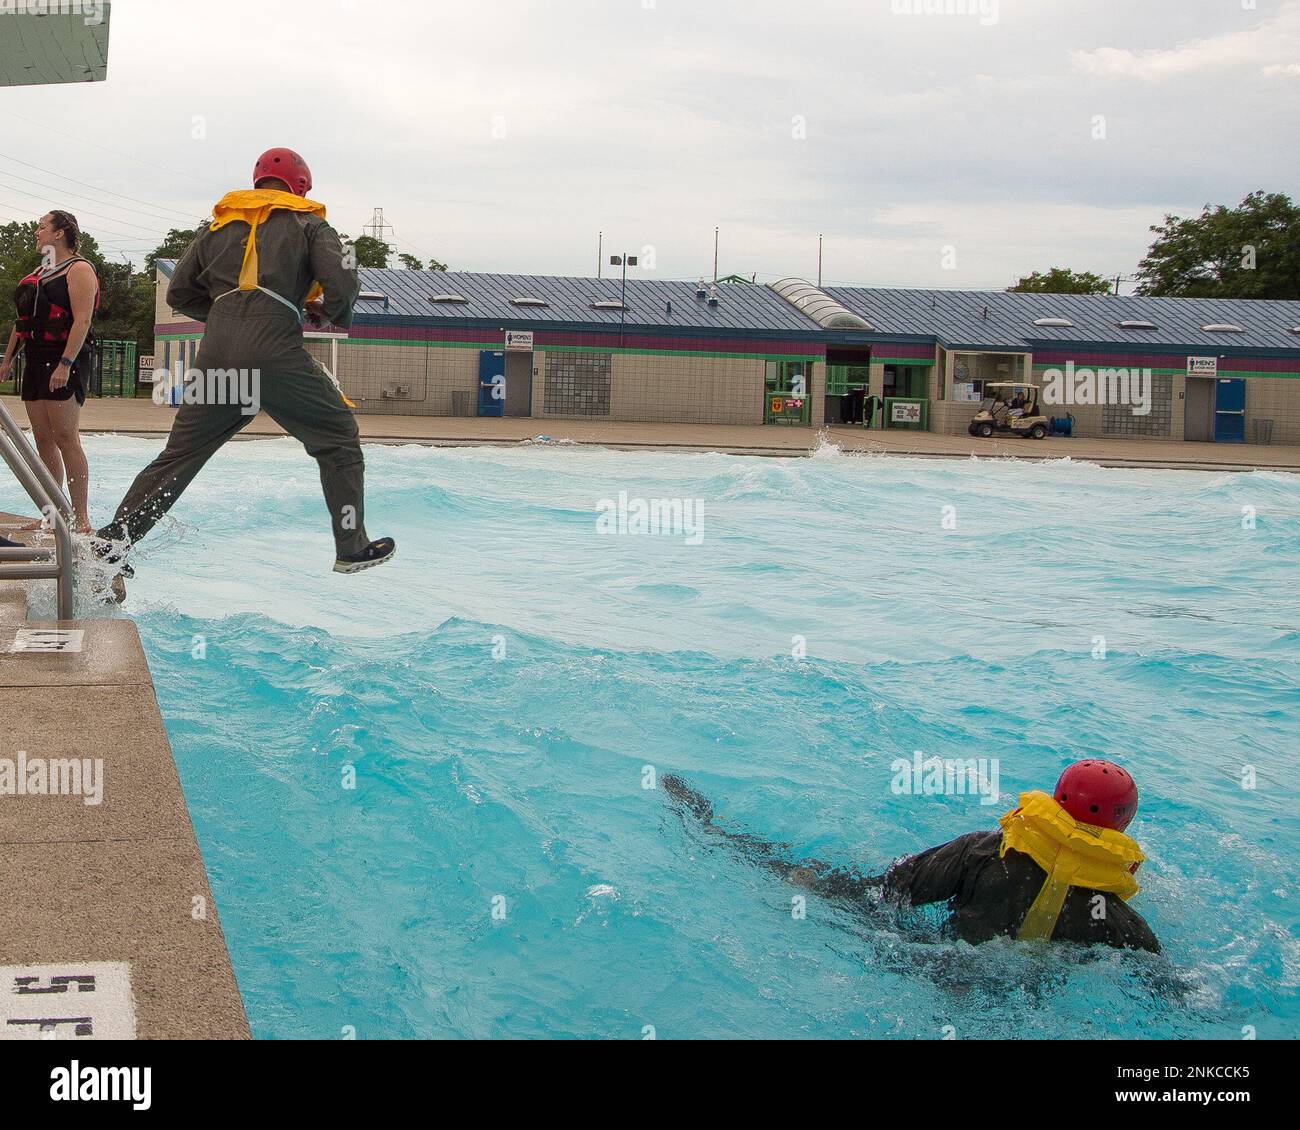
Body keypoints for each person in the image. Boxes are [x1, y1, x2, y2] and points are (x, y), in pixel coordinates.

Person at [93, 148, 394, 597]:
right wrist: (329, 312)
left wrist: (222, 315)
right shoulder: (312, 223)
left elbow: (179, 291)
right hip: (275, 352)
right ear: (302, 186)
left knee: (179, 456)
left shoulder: (215, 225)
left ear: (256, 184)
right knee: (338, 439)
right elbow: (345, 279)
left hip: (215, 353)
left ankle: (114, 543)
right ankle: (351, 545)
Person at [663, 758, 1159, 953]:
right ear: (1121, 827)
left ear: (1054, 799)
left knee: (831, 886)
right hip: (1025, 992)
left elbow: (893, 891)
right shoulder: (1114, 916)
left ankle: (710, 828)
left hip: (941, 968)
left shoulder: (984, 852)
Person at [0, 210, 99, 533]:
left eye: (42, 226)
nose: (36, 231)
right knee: (43, 439)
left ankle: (81, 518)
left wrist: (66, 364)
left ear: (60, 233)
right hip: (36, 358)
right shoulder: (39, 272)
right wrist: (8, 359)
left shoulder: (79, 269)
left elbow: (82, 321)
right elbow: (22, 321)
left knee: (66, 437)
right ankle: (52, 512)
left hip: (64, 360)